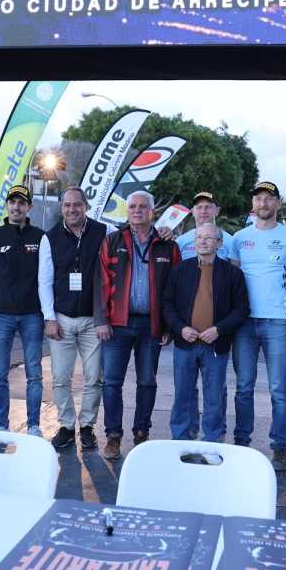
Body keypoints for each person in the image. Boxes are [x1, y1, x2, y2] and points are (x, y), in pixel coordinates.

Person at [96, 190, 182, 459]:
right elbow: (101, 283)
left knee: (147, 381)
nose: (137, 210)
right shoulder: (112, 241)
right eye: (132, 206)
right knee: (111, 383)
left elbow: (175, 290)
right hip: (117, 325)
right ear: (127, 211)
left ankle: (142, 433)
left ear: (152, 212)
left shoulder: (169, 245)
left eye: (143, 206)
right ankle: (113, 436)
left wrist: (169, 326)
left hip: (151, 326)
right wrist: (101, 320)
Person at [229, 181, 286, 470]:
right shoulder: (239, 238)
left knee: (279, 388)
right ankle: (242, 442)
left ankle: (279, 447)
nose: (263, 203)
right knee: (243, 386)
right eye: (258, 198)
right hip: (245, 323)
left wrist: (279, 302)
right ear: (253, 204)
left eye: (269, 198)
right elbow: (233, 279)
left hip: (277, 322)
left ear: (278, 204)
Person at [162, 223, 249, 442]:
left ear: (219, 243)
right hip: (185, 344)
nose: (202, 241)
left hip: (215, 346)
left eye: (209, 238)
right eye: (199, 237)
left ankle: (212, 440)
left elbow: (241, 309)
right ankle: (181, 439)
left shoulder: (232, 273)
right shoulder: (180, 270)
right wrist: (180, 328)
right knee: (183, 394)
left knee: (214, 397)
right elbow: (167, 304)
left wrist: (219, 329)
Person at [38, 187, 107, 451]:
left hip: (93, 320)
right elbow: (44, 281)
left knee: (94, 378)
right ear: (62, 208)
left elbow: (131, 234)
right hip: (62, 319)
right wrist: (49, 318)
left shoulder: (104, 232)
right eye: (67, 205)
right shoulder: (50, 238)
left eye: (77, 204)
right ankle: (66, 426)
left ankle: (87, 426)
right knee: (60, 378)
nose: (72, 209)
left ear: (86, 206)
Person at [0, 185, 46, 435]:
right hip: (1, 315)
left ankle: (34, 425)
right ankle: (1, 423)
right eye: (12, 202)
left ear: (29, 207)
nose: (16, 207)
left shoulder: (41, 237)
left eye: (21, 203)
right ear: (7, 205)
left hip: (32, 315)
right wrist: (0, 299)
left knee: (34, 373)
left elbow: (46, 275)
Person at [174, 192, 234, 261]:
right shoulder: (181, 241)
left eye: (208, 207)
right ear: (192, 211)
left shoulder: (230, 241)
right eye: (199, 207)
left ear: (217, 211)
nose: (203, 211)